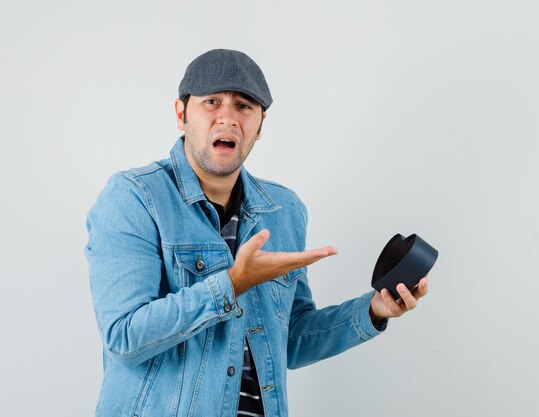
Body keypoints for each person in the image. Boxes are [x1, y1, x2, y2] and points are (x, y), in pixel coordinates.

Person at [85, 48, 429, 417]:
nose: (228, 118)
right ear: (181, 114)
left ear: (261, 125)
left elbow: (290, 340)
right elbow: (124, 337)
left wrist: (373, 310)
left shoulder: (283, 210)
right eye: (211, 102)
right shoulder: (134, 197)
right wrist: (232, 284)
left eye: (244, 106)